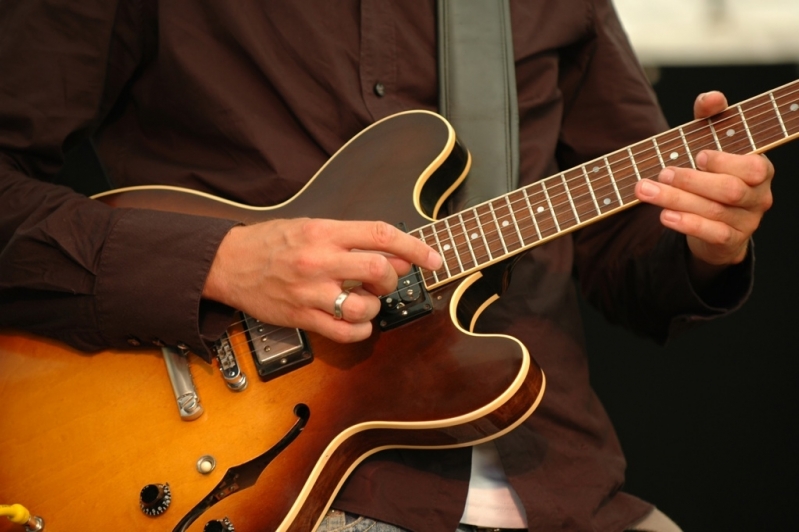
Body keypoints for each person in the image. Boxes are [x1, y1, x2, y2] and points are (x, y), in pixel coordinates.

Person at [0, 1, 774, 531]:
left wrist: (705, 236)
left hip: (554, 481)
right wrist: (221, 262)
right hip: (266, 483)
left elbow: (625, 251)